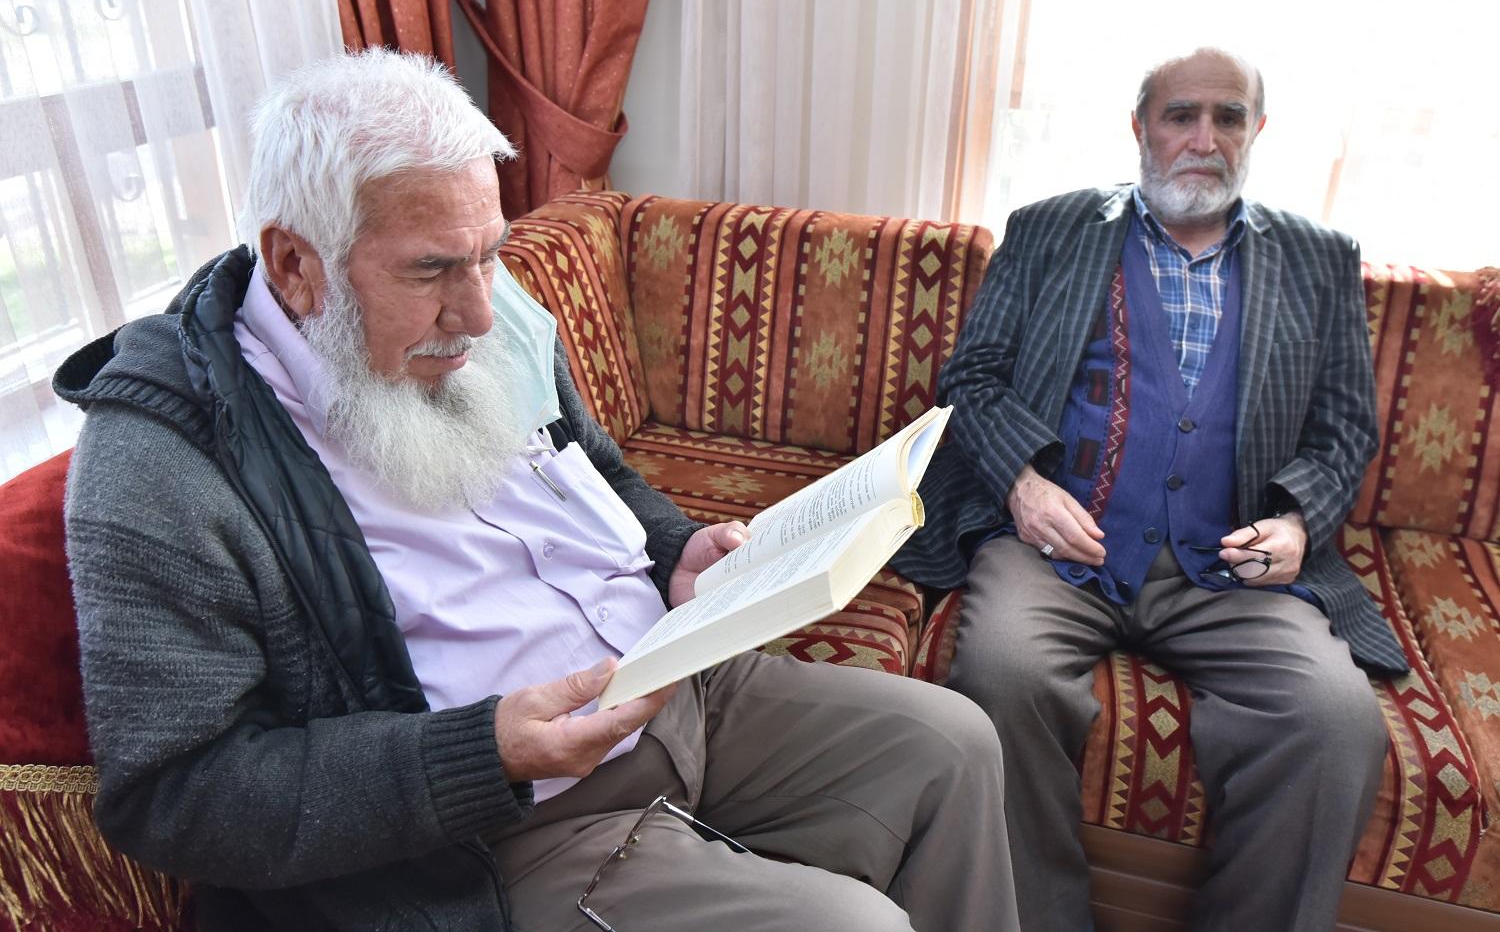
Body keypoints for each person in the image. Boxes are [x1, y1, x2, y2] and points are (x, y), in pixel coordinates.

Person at [56, 49, 1018, 932]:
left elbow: (593, 469)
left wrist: (675, 547)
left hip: (680, 687)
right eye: (433, 269)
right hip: (496, 835)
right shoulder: (163, 459)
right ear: (295, 264)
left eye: (489, 252)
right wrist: (481, 755)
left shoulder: (490, 311)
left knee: (954, 743)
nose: (480, 310)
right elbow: (175, 797)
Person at [893, 47, 1408, 932]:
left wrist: (1295, 523)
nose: (1204, 138)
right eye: (1180, 116)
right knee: (1003, 674)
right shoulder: (1049, 230)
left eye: (1228, 117)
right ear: (1140, 127)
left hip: (1233, 570)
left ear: (1256, 130)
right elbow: (971, 380)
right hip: (1057, 549)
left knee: (1334, 721)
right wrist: (1021, 486)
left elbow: (1344, 431)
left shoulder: (1319, 260)